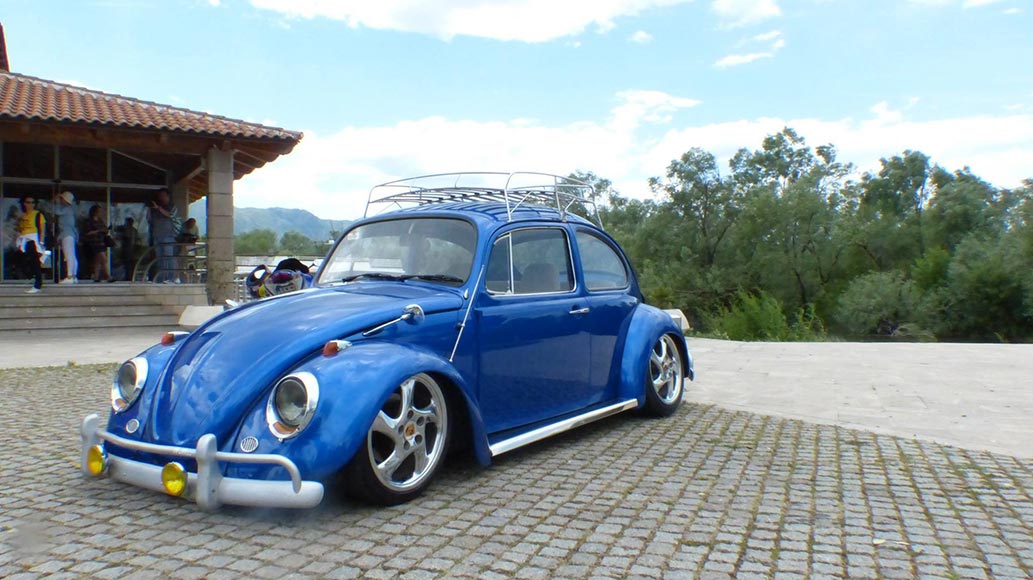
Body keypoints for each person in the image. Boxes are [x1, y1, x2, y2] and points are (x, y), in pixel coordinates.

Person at [14, 196, 45, 293]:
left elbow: (42, 229)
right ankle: (31, 277)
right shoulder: (24, 216)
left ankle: (38, 284)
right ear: (24, 203)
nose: (30, 204)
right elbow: (21, 229)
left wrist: (41, 242)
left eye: (33, 202)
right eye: (28, 202)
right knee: (24, 261)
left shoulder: (38, 214)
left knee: (35, 262)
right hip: (24, 241)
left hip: (33, 240)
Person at [148, 188, 180, 283]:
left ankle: (172, 278)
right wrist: (150, 209)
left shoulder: (171, 206)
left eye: (163, 195)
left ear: (168, 196)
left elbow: (170, 215)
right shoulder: (154, 209)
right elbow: (150, 220)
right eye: (160, 196)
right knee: (160, 258)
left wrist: (158, 208)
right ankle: (162, 278)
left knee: (169, 257)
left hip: (168, 236)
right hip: (157, 236)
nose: (161, 197)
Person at [84, 204, 114, 283]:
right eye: (98, 211)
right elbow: (87, 232)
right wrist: (98, 231)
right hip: (94, 242)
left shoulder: (100, 220)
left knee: (98, 260)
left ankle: (96, 276)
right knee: (104, 259)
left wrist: (106, 229)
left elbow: (104, 229)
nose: (99, 213)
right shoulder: (89, 221)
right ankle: (108, 276)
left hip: (101, 241)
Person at [55, 190, 79, 284]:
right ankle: (74, 276)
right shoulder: (70, 210)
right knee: (72, 256)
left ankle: (69, 276)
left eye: (61, 199)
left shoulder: (66, 209)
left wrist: (56, 202)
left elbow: (57, 211)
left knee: (68, 255)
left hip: (66, 234)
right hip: (71, 234)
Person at [118, 217, 139, 281]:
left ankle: (128, 277)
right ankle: (129, 276)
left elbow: (126, 237)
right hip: (132, 250)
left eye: (126, 222)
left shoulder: (128, 230)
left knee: (128, 263)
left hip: (128, 249)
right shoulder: (134, 230)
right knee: (129, 264)